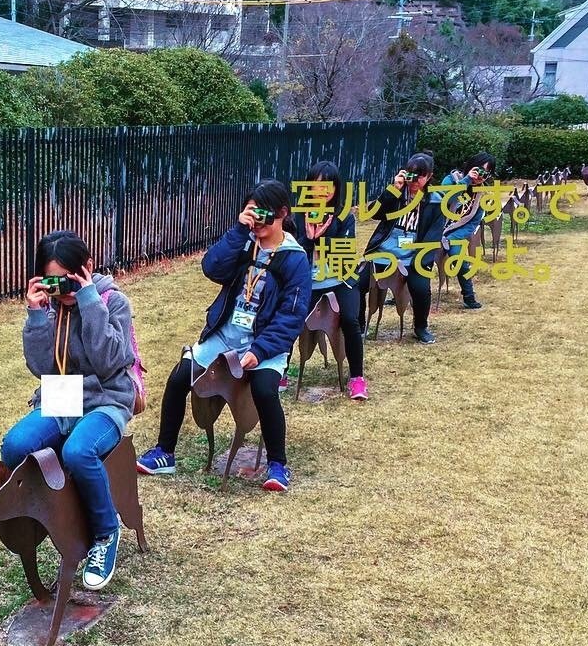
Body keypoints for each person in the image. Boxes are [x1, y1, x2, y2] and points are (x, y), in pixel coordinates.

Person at [137, 180, 311, 492]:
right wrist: (237, 231)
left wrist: (260, 350)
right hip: (225, 335)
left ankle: (277, 465)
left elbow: (292, 315)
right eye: (252, 211)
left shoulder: (294, 258)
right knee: (180, 377)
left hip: (265, 343)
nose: (257, 220)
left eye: (264, 214)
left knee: (265, 390)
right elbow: (212, 267)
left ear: (283, 213)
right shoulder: (245, 243)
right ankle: (165, 452)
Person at [0, 230, 136, 591]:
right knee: (14, 446)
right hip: (61, 396)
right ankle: (55, 514)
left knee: (79, 450)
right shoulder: (51, 308)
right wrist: (35, 315)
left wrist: (89, 300)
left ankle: (106, 535)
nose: (63, 288)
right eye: (53, 279)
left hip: (106, 397)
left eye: (69, 277)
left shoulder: (112, 300)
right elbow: (41, 367)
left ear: (87, 268)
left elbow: (110, 362)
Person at [288, 160, 367, 400]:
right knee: (288, 318)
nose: (321, 191)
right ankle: (279, 370)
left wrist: (319, 239)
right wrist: (308, 239)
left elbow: (344, 252)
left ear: (336, 188)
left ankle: (357, 378)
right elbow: (291, 249)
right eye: (316, 185)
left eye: (328, 186)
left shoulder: (344, 217)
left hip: (340, 279)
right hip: (307, 282)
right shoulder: (298, 215)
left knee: (351, 321)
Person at [362, 150, 446, 345]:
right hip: (384, 251)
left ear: (429, 177)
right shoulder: (397, 193)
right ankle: (359, 325)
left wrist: (422, 263)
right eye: (411, 174)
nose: (414, 180)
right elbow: (375, 213)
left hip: (414, 255)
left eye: (420, 176)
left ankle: (420, 327)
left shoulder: (436, 201)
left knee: (421, 288)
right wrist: (393, 188)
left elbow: (433, 236)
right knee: (357, 284)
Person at [436, 152, 494, 311]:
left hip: (457, 232)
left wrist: (451, 235)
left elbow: (473, 222)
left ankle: (469, 297)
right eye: (479, 170)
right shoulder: (452, 179)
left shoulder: (483, 192)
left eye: (485, 173)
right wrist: (467, 180)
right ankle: (399, 294)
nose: (480, 176)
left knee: (459, 258)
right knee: (414, 255)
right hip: (435, 226)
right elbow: (443, 199)